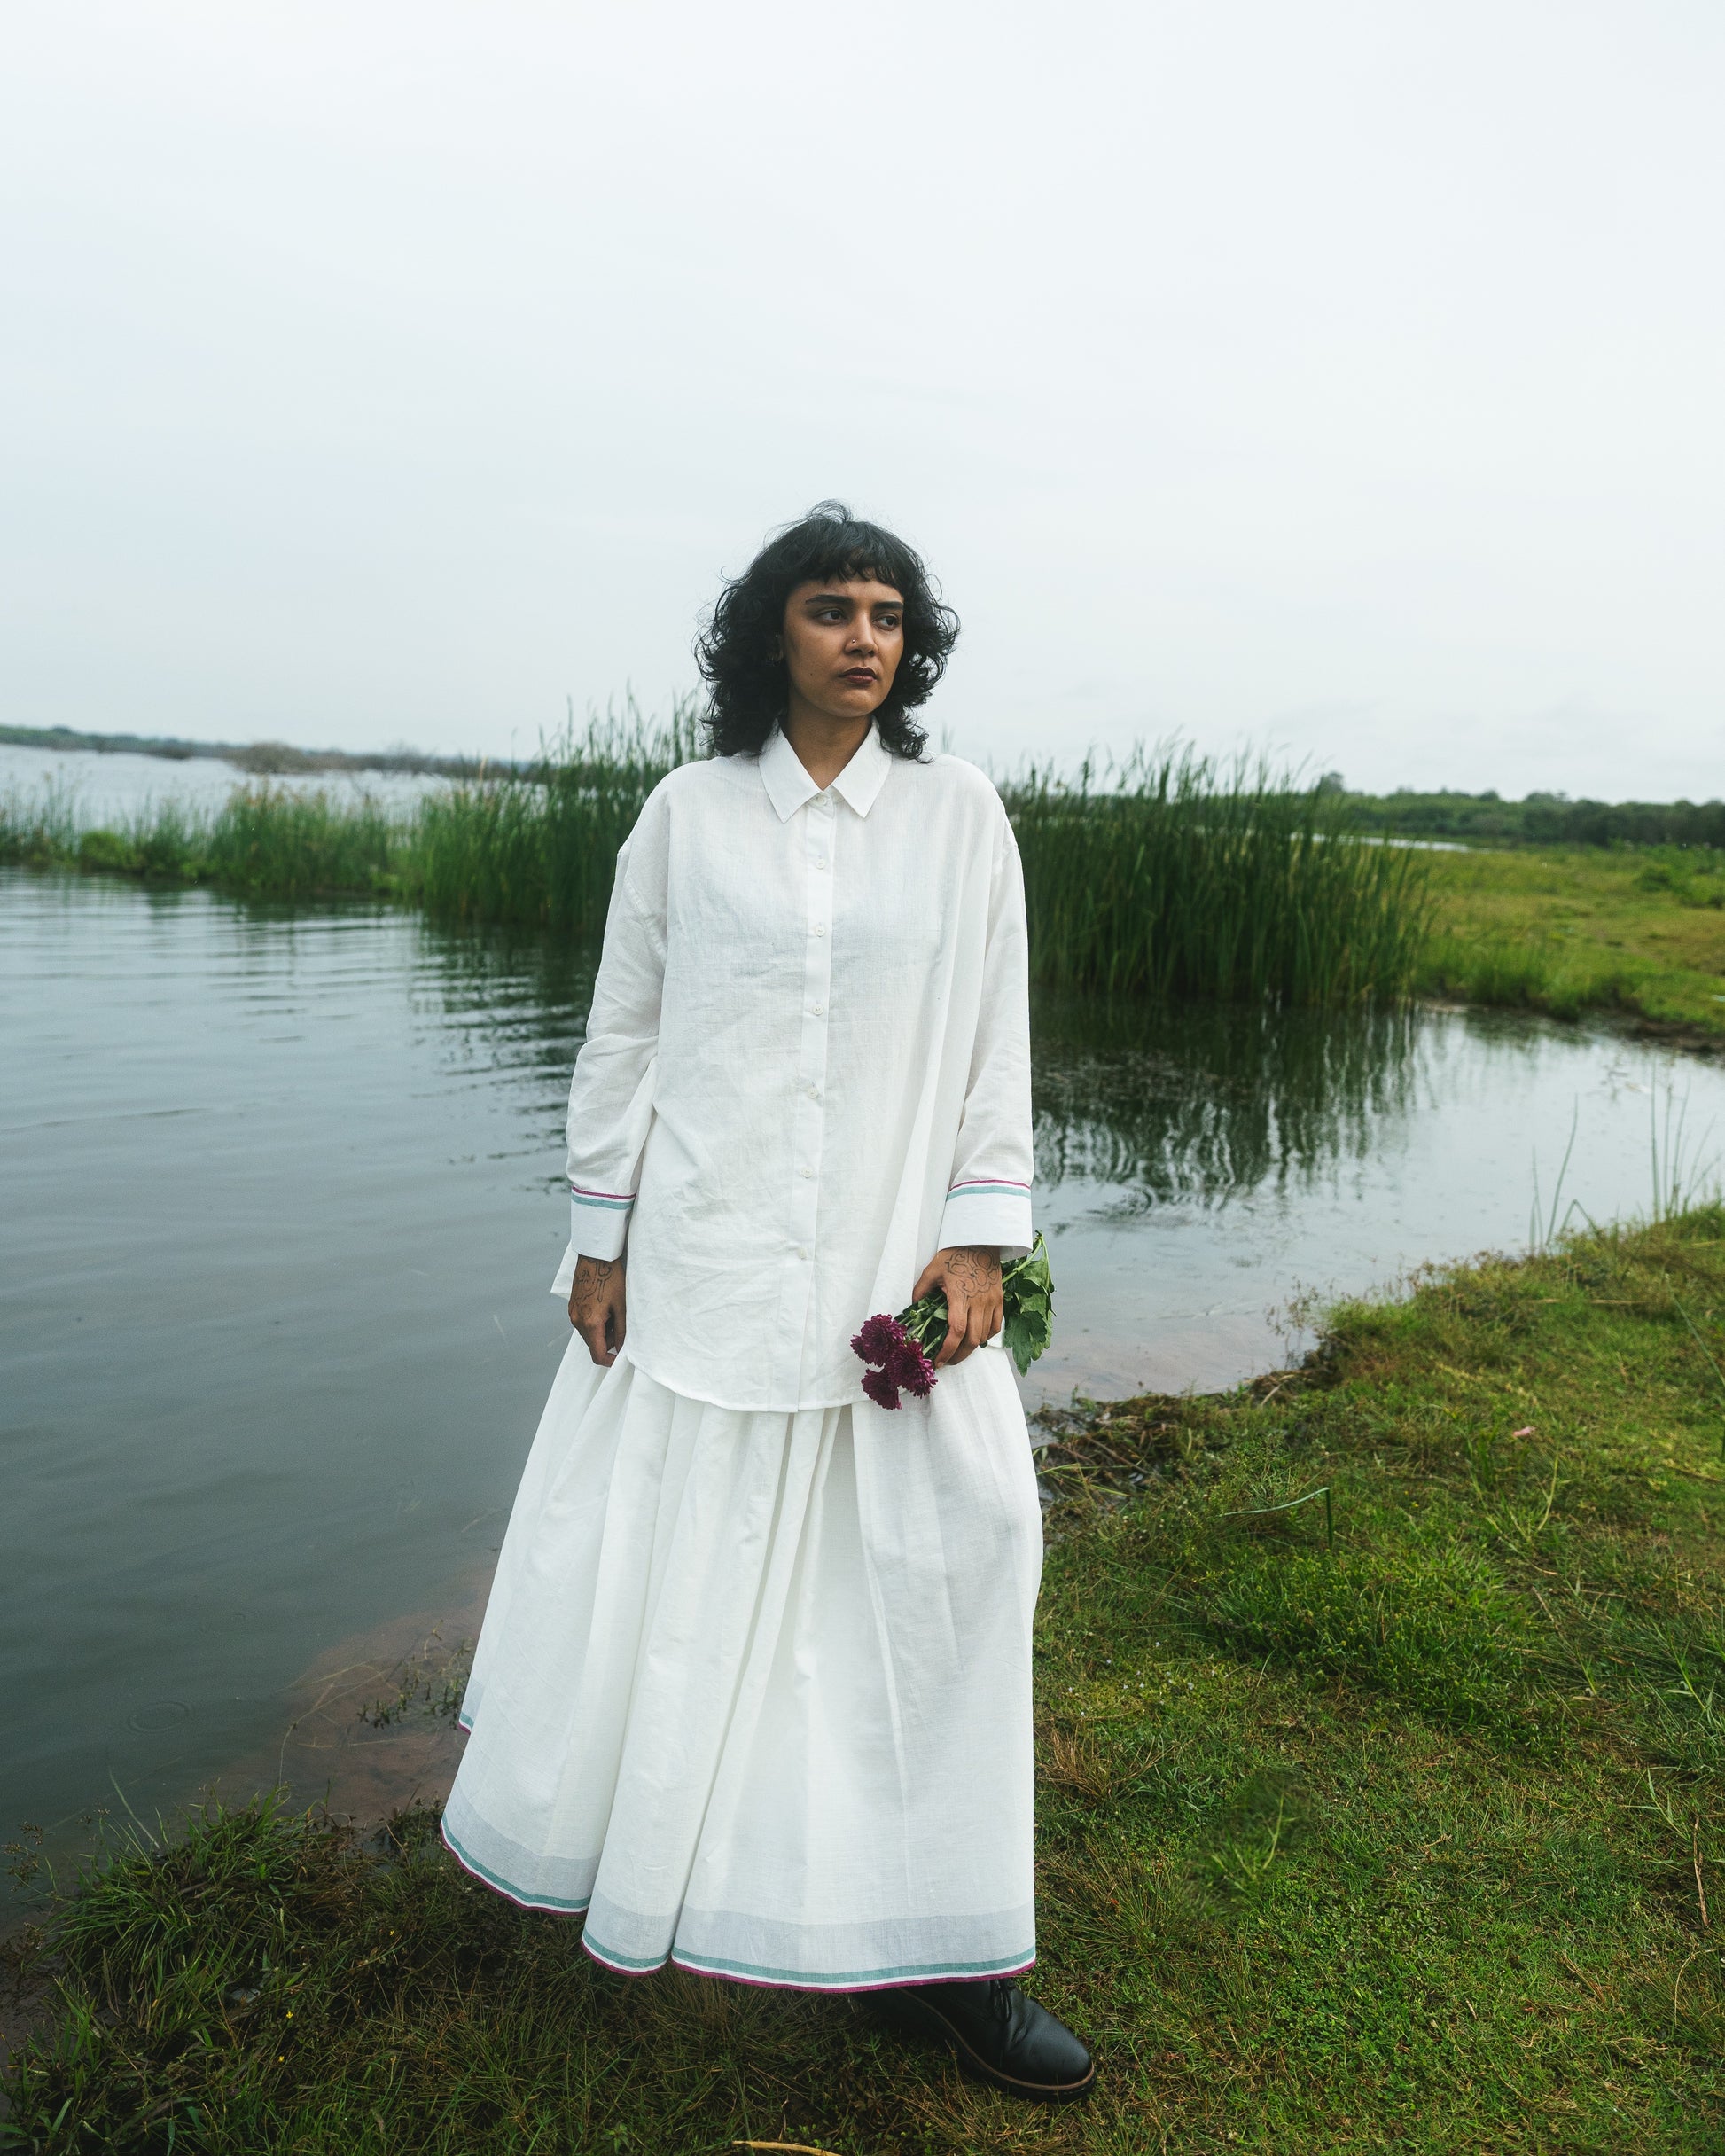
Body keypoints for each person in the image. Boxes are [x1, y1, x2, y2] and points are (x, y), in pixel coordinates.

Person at [441, 502, 1095, 2104]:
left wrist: (979, 1241)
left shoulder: (960, 819)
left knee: (957, 1562)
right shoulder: (684, 814)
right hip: (709, 1266)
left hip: (889, 1269)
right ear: (769, 634)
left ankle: (954, 1959)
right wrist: (598, 1240)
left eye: (886, 612)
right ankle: (648, 1868)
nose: (863, 636)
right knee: (683, 1588)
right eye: (830, 608)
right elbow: (622, 1031)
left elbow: (995, 1042)